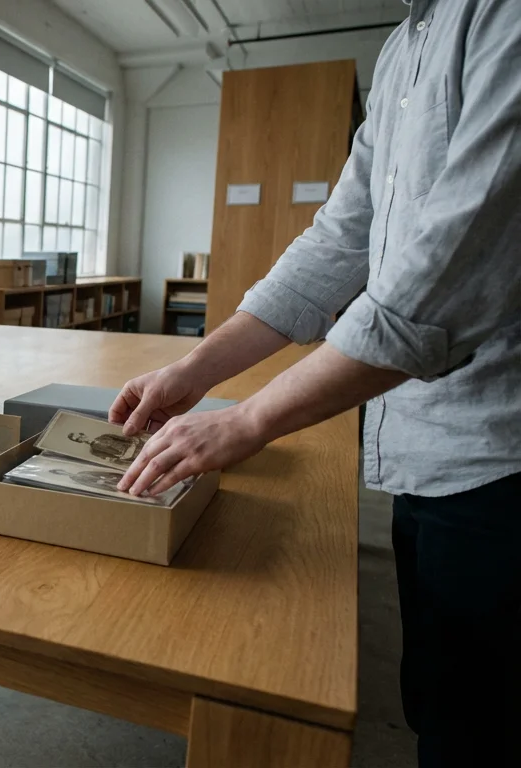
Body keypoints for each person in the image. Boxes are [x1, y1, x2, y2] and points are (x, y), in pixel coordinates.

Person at [106, 2, 521, 765]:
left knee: (483, 726)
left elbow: (440, 288)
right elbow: (340, 238)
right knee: (441, 698)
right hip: (424, 446)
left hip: (502, 457)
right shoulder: (405, 45)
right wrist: (194, 370)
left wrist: (246, 421)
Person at [65, 431, 145, 465]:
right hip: (127, 456)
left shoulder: (104, 436)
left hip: (134, 447)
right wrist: (119, 459)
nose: (81, 439)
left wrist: (135, 441)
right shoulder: (93, 451)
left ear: (83, 434)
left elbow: (122, 438)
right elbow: (108, 459)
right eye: (78, 439)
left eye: (80, 436)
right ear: (79, 442)